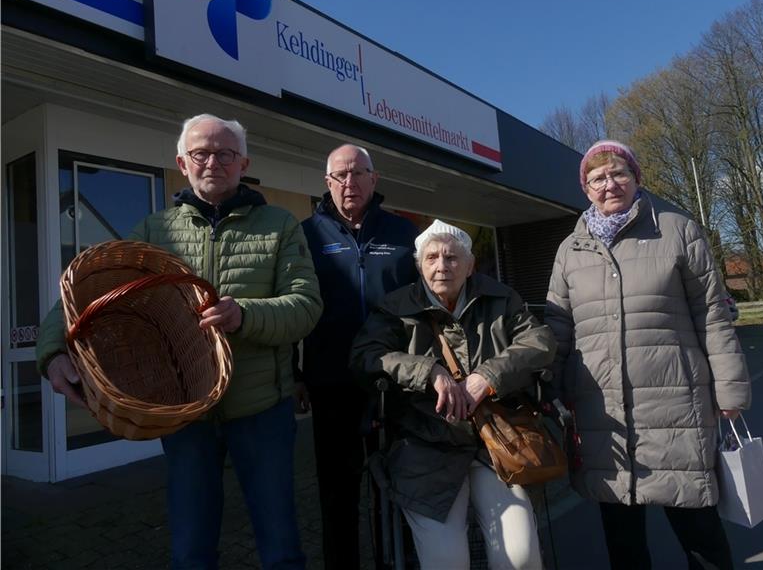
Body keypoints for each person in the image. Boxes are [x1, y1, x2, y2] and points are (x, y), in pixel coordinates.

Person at [36, 113, 323, 570]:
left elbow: (306, 305)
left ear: (243, 162)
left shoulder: (279, 225)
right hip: (184, 413)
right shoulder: (155, 230)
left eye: (225, 153)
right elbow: (89, 290)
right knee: (190, 550)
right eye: (201, 153)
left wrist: (245, 314)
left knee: (281, 546)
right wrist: (52, 351)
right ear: (182, 162)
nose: (213, 162)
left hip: (261, 410)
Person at [544, 139, 751, 570]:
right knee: (623, 540)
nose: (609, 184)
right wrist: (550, 388)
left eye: (619, 173)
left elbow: (712, 313)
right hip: (604, 419)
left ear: (637, 178)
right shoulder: (570, 251)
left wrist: (730, 389)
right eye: (597, 178)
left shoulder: (677, 229)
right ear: (586, 189)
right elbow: (559, 327)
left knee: (699, 531)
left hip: (677, 405)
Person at [350, 220, 556, 570]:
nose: (441, 266)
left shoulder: (501, 298)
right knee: (447, 562)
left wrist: (490, 375)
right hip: (425, 446)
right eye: (431, 258)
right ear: (419, 265)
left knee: (520, 559)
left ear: (471, 264)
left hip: (496, 444)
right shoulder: (395, 307)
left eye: (452, 258)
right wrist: (427, 371)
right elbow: (366, 355)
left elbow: (540, 341)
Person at [296, 143, 418, 570]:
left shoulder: (405, 234)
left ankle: (398, 562)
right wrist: (297, 374)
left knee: (400, 488)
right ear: (327, 183)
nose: (349, 182)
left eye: (358, 173)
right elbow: (292, 305)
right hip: (332, 383)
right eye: (340, 175)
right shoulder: (306, 236)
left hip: (398, 384)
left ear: (374, 178)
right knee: (337, 493)